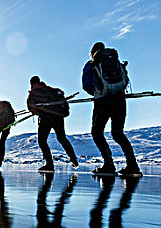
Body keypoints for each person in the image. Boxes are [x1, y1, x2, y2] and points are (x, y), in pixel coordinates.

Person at [82, 42, 142, 176]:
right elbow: (125, 81)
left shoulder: (92, 64)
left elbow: (86, 85)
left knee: (97, 132)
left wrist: (97, 93)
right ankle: (132, 165)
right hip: (120, 100)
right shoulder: (117, 63)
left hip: (102, 102)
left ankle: (108, 164)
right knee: (118, 133)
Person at [27, 76, 78, 172]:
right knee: (62, 138)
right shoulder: (52, 90)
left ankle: (49, 164)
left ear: (33, 84)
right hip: (58, 116)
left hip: (46, 117)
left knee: (42, 140)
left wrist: (39, 111)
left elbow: (31, 107)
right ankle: (74, 160)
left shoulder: (34, 92)